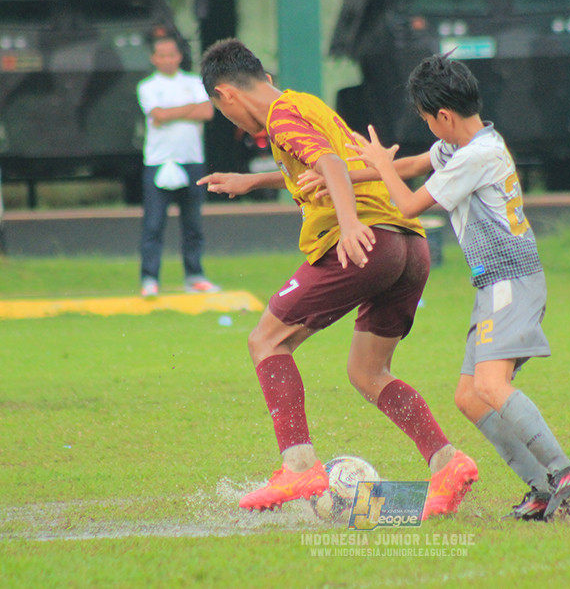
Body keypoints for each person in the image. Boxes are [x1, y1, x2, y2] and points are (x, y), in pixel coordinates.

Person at [196, 38, 478, 518]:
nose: (234, 123)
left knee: (266, 340)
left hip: (365, 241)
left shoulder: (280, 118)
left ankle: (298, 465)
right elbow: (329, 163)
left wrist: (348, 225)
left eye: (224, 112)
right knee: (368, 372)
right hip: (408, 245)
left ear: (226, 95)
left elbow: (329, 166)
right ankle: (447, 463)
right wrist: (254, 180)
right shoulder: (303, 105)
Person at [337, 54, 570, 521]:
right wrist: (340, 178)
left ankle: (564, 469)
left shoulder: (477, 156)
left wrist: (379, 164)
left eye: (425, 118)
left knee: (491, 385)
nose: (426, 127)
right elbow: (412, 164)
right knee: (470, 397)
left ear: (444, 116)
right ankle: (542, 487)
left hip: (510, 282)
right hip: (495, 285)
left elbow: (409, 204)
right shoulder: (462, 145)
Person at [136, 34, 221, 298]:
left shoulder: (194, 82)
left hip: (191, 161)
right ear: (154, 59)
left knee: (193, 223)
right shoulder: (147, 86)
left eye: (171, 55)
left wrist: (169, 113)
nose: (167, 60)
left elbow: (207, 112)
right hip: (158, 162)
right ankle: (149, 279)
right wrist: (188, 109)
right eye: (162, 55)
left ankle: (195, 276)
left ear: (179, 56)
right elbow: (157, 114)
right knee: (153, 223)